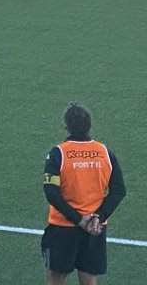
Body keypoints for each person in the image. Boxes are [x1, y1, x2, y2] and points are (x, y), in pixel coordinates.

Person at [42, 102, 126, 285]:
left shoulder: (58, 154)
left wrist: (78, 219)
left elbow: (51, 193)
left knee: (56, 278)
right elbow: (119, 190)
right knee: (89, 279)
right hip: (95, 228)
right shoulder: (105, 153)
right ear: (89, 125)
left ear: (67, 126)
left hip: (63, 227)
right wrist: (98, 217)